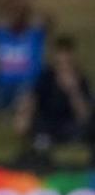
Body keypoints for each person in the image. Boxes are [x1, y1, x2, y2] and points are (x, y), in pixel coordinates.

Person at [14, 35, 94, 167]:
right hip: (47, 123)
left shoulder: (81, 80)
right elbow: (32, 98)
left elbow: (84, 115)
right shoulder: (46, 76)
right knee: (36, 124)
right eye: (60, 58)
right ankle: (39, 154)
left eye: (66, 58)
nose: (63, 62)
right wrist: (23, 115)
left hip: (70, 125)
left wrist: (73, 91)